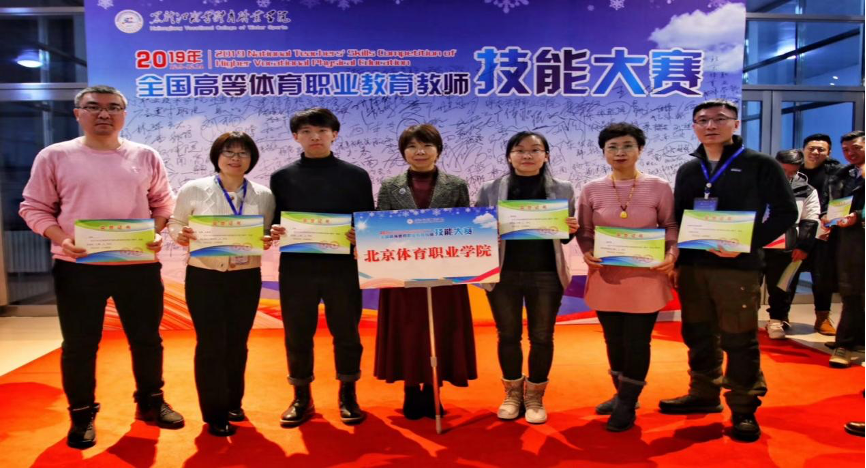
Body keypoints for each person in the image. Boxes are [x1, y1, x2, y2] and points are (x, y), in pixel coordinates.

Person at [18, 85, 184, 449]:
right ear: (78, 113)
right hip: (78, 265)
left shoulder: (146, 155)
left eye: (113, 107)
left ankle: (151, 401)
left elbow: (163, 205)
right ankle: (81, 414)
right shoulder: (54, 156)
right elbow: (33, 207)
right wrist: (62, 238)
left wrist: (156, 233)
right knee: (80, 344)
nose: (104, 114)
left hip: (137, 265)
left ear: (124, 114)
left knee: (147, 339)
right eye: (93, 107)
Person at [659, 99, 798, 442]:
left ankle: (743, 407)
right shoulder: (689, 170)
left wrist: (746, 243)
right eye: (702, 120)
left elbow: (785, 212)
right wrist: (678, 261)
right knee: (698, 334)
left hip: (737, 267)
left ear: (735, 124)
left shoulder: (760, 164)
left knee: (739, 338)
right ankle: (703, 393)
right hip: (694, 268)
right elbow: (680, 217)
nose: (710, 125)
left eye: (719, 119)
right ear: (694, 126)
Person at [269, 107, 375, 426]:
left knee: (347, 333)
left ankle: (348, 394)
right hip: (297, 268)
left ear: (334, 134)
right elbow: (276, 221)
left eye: (322, 131)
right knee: (297, 334)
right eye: (306, 131)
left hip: (342, 269)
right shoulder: (281, 177)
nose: (314, 137)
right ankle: (301, 397)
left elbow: (367, 221)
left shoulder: (356, 175)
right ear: (295, 137)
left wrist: (360, 234)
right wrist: (275, 230)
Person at [167, 132, 275, 436]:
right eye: (228, 152)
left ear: (252, 159)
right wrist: (180, 235)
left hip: (246, 276)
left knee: (238, 342)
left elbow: (265, 231)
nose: (235, 158)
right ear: (217, 156)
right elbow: (176, 223)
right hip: (205, 276)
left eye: (243, 153)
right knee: (211, 343)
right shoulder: (194, 188)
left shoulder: (264, 195)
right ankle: (214, 412)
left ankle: (233, 402)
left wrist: (267, 239)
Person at [577, 123, 678, 432]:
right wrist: (587, 251)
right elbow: (585, 231)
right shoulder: (591, 189)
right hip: (606, 278)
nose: (619, 152)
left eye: (627, 146)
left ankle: (626, 404)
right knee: (614, 340)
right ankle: (623, 395)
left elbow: (671, 225)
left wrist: (671, 255)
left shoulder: (659, 186)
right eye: (612, 147)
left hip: (646, 279)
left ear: (640, 150)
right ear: (604, 152)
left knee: (637, 341)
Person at [373, 124, 477, 419]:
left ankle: (433, 390)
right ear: (403, 152)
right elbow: (380, 228)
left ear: (438, 151)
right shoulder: (389, 186)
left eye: (427, 146)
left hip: (445, 274)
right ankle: (409, 389)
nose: (420, 152)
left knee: (440, 328)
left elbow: (465, 228)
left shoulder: (456, 185)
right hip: (402, 274)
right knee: (407, 329)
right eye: (412, 146)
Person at [475, 131, 579, 424]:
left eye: (535, 150)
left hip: (546, 273)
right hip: (503, 273)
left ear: (546, 155)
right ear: (509, 157)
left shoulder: (563, 188)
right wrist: (488, 229)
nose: (527, 155)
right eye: (520, 150)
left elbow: (565, 237)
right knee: (508, 335)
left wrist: (571, 228)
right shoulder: (490, 189)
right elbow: (478, 230)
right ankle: (512, 394)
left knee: (542, 337)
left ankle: (534, 396)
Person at [762, 149, 820, 340]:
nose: (787, 175)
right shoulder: (758, 183)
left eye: (792, 171)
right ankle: (743, 320)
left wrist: (803, 246)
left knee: (782, 286)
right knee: (748, 284)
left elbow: (810, 220)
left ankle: (777, 319)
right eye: (783, 170)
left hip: (787, 245)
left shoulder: (807, 190)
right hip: (756, 243)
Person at [823, 130, 865, 368]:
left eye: (856, 148)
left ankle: (850, 342)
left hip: (858, 231)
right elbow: (832, 204)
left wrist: (858, 216)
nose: (850, 153)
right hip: (848, 240)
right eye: (846, 150)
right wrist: (826, 216)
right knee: (850, 291)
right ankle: (847, 342)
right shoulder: (842, 175)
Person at [800, 134, 843, 336]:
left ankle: (822, 317)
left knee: (822, 276)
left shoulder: (838, 173)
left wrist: (830, 217)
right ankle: (780, 317)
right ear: (804, 149)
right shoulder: (792, 169)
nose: (816, 152)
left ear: (829, 152)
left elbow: (842, 199)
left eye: (821, 149)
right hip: (795, 229)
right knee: (788, 274)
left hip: (823, 230)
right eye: (811, 148)